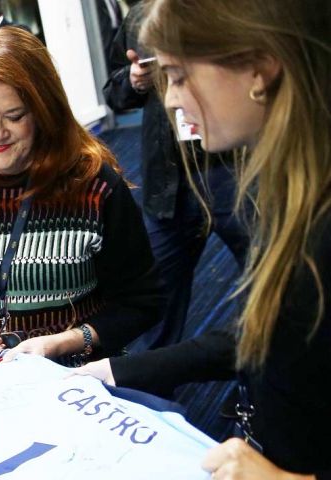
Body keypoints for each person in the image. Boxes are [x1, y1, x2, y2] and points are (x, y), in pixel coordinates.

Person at [76, 0, 331, 477]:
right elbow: (270, 332)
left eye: (177, 75)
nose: (170, 100)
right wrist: (113, 371)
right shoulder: (289, 193)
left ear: (258, 68)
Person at [0, 27, 163, 382]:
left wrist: (66, 342)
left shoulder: (94, 188)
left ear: (44, 112)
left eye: (14, 116)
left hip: (77, 388)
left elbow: (142, 301)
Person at [103, 2, 249, 350]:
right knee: (158, 299)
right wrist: (134, 81)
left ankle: (256, 390)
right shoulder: (140, 17)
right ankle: (154, 396)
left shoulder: (230, 11)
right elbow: (114, 93)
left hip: (234, 172)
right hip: (168, 181)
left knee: (271, 286)